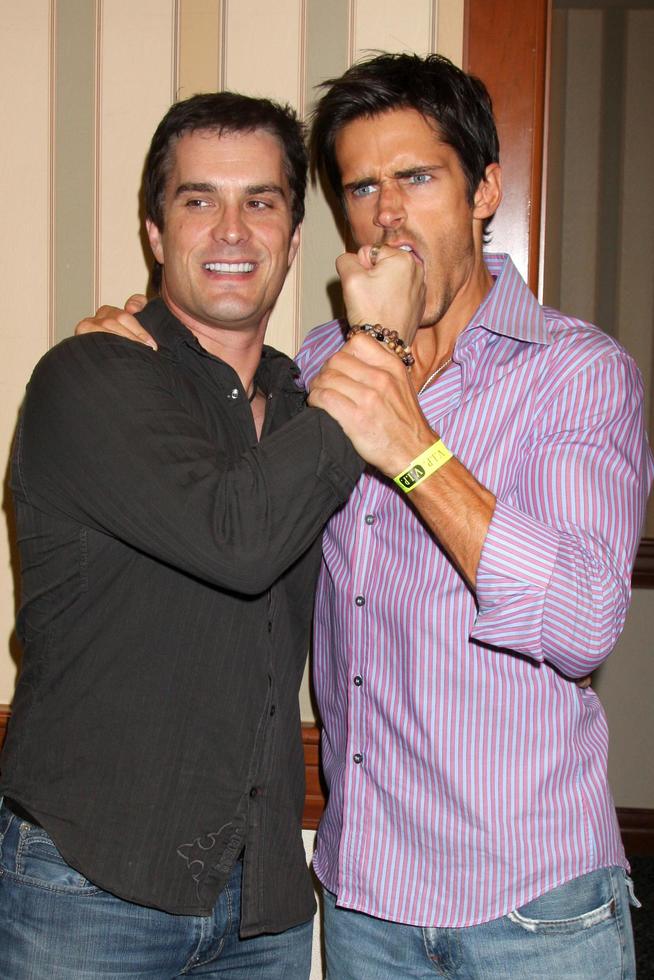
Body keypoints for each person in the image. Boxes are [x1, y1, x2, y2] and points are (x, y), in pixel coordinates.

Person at [74, 54, 653, 978]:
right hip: (364, 900)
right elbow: (229, 511)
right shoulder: (314, 362)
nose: (388, 214)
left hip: (531, 905)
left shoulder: (576, 373)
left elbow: (584, 623)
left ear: (484, 190)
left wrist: (412, 444)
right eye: (362, 187)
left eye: (418, 178)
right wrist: (142, 344)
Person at [0, 92, 373, 978]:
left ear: (291, 238)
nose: (232, 230)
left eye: (263, 202)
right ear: (156, 235)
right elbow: (238, 540)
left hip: (266, 902)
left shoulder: (302, 404)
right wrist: (382, 347)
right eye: (199, 200)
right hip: (89, 888)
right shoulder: (91, 377)